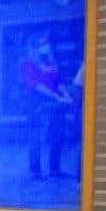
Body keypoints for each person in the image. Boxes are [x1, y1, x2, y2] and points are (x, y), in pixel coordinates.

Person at [19, 32, 74, 178]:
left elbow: (58, 82)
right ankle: (35, 171)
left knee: (57, 135)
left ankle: (54, 169)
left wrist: (65, 95)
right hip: (36, 105)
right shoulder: (27, 63)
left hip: (55, 105)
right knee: (36, 137)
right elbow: (35, 85)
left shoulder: (50, 63)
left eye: (46, 44)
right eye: (41, 44)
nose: (45, 47)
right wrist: (57, 97)